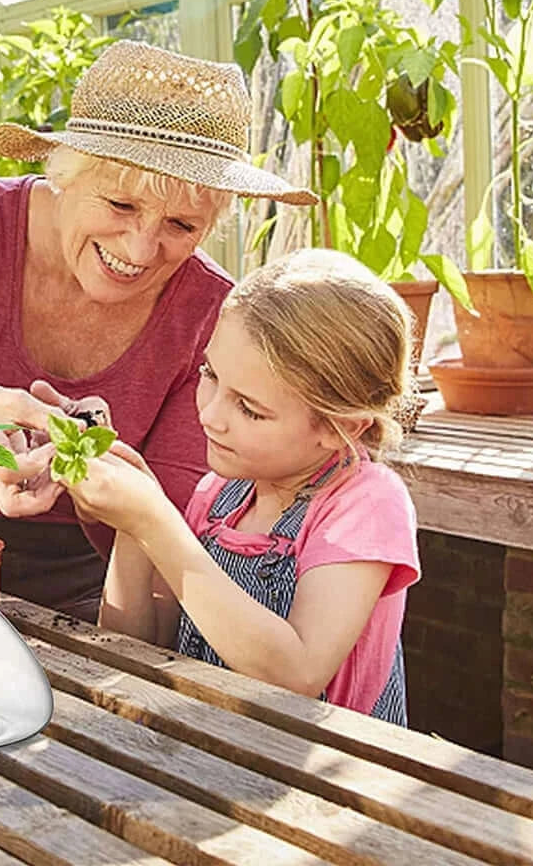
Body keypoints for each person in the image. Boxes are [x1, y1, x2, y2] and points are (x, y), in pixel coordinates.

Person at [0, 39, 317, 622]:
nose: (142, 249)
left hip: (94, 590)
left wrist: (96, 474)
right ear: (64, 172)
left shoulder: (209, 309)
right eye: (121, 205)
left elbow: (164, 535)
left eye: (181, 224)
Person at [59, 249, 421, 723]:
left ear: (341, 428)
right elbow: (138, 646)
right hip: (215, 753)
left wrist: (158, 522)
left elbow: (297, 675)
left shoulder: (365, 504)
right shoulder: (220, 496)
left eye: (249, 408)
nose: (210, 415)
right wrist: (134, 529)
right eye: (210, 375)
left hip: (323, 779)